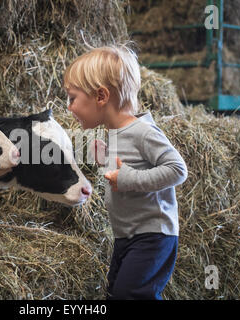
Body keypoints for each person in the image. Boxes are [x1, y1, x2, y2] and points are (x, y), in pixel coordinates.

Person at [63, 44, 188, 300]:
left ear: (101, 97)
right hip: (126, 235)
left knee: (128, 294)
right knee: (118, 294)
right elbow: (124, 168)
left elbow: (177, 170)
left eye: (72, 98)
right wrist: (104, 160)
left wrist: (131, 179)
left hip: (153, 235)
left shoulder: (143, 131)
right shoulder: (113, 133)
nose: (68, 107)